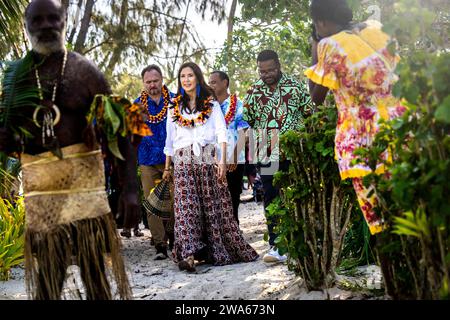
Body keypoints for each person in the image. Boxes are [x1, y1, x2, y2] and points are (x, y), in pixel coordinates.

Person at [0, 0, 142, 299]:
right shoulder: (17, 78)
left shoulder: (85, 71)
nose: (46, 26)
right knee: (48, 276)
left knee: (94, 274)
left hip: (84, 188)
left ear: (65, 20)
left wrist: (130, 189)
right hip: (43, 190)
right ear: (26, 27)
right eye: (37, 20)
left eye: (53, 18)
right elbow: (11, 140)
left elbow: (121, 133)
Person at [305, 0, 406, 235]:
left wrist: (315, 46)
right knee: (407, 209)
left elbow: (316, 96)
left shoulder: (330, 45)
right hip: (401, 128)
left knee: (380, 220)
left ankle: (389, 268)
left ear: (320, 21)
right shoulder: (376, 28)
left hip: (362, 139)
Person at [163, 62, 258, 272]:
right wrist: (167, 168)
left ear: (197, 77)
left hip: (207, 158)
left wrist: (222, 161)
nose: (186, 80)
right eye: (182, 76)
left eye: (190, 75)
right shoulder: (174, 107)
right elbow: (169, 141)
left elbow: (221, 133)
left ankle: (211, 251)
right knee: (186, 208)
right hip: (183, 160)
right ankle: (187, 255)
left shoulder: (211, 104)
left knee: (211, 207)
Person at [243, 50, 312, 263]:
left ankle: (303, 244)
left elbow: (309, 113)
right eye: (262, 71)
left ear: (278, 65)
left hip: (294, 148)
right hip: (265, 146)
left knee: (297, 193)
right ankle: (277, 246)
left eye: (270, 69)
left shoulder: (295, 86)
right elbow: (249, 122)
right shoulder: (253, 91)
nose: (266, 74)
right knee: (271, 196)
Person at [125, 64, 175, 260]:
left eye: (155, 81)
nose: (152, 85)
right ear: (143, 83)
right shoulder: (136, 106)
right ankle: (160, 245)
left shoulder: (174, 101)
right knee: (152, 203)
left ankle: (174, 237)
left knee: (173, 200)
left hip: (171, 159)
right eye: (148, 82)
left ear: (162, 79)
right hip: (146, 160)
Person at [208, 70, 249, 224]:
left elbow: (244, 133)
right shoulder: (208, 106)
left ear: (225, 83)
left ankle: (234, 233)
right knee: (214, 200)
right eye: (209, 82)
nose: (210, 85)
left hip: (234, 160)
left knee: (232, 198)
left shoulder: (238, 105)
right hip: (212, 160)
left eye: (214, 82)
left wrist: (233, 156)